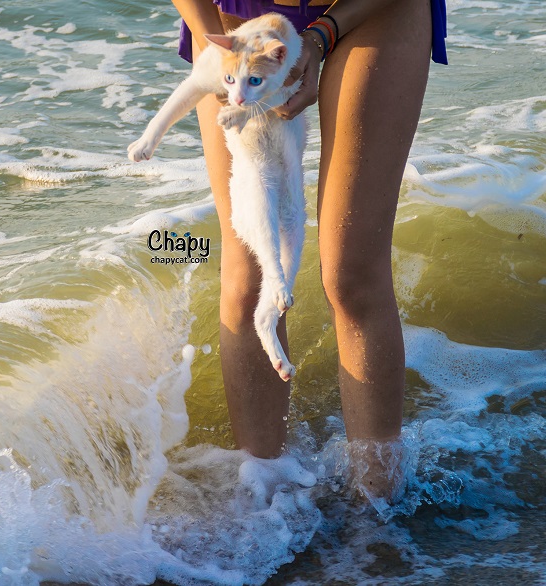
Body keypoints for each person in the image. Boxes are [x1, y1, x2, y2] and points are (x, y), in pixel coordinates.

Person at [172, 0, 447, 499]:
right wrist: (216, 44)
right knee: (250, 274)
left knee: (351, 275)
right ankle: (266, 501)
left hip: (375, 10)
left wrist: (321, 37)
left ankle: (377, 514)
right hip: (238, 21)